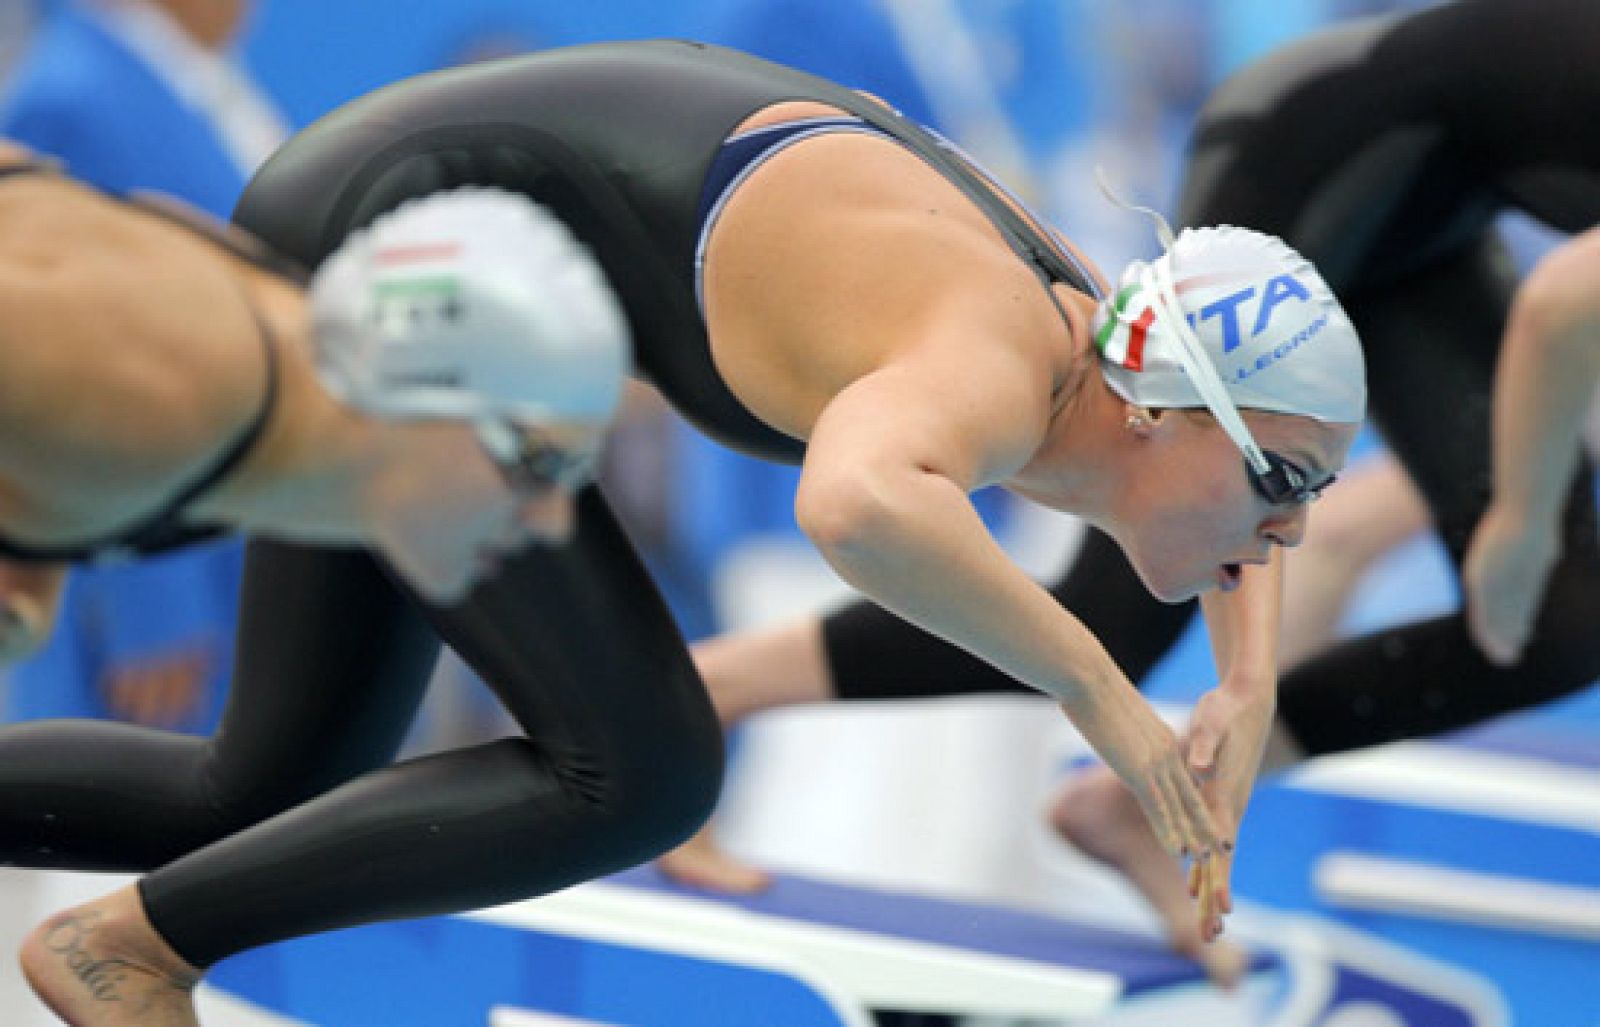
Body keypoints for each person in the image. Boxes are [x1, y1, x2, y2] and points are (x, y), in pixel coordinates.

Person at [0, 39, 1363, 1025]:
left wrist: (1246, 683)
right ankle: (131, 943)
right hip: (400, 241)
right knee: (638, 769)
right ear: (1166, 415)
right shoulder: (995, 359)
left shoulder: (1113, 351)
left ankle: (134, 935)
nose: (1287, 535)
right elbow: (856, 503)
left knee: (268, 783)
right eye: (1284, 483)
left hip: (417, 214)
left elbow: (1229, 510)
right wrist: (1103, 693)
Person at [659, 0, 1600, 985]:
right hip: (1313, 152)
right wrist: (1520, 515)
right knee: (1118, 606)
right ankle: (726, 685)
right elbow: (1560, 305)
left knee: (1561, 621)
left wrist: (1479, 523)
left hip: (1433, 220)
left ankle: (1146, 805)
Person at [0, 0, 290, 735]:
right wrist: (148, 600)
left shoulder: (194, 83)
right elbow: (63, 365)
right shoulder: (72, 97)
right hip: (161, 583)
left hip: (238, 537)